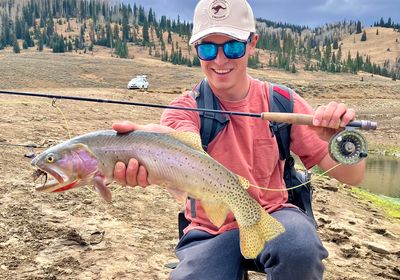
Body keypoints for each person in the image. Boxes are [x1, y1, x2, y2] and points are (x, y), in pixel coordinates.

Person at [112, 0, 366, 279]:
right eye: (207, 48)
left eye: (233, 47)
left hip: (274, 213)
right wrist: (147, 145)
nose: (220, 60)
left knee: (299, 247)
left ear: (252, 43)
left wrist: (341, 141)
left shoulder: (281, 102)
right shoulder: (183, 110)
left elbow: (353, 176)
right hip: (209, 230)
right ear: (195, 50)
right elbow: (176, 144)